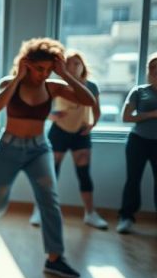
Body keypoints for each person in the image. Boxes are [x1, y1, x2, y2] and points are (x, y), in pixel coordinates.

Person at [0, 38, 96, 278]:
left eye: (48, 70)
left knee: (49, 201)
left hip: (39, 149)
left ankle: (54, 258)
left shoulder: (53, 86)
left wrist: (64, 75)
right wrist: (18, 78)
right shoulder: (9, 83)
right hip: (8, 148)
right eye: (39, 68)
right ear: (27, 64)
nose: (43, 74)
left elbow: (89, 100)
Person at [29, 49, 107, 229]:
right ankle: (39, 210)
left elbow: (96, 110)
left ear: (83, 67)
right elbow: (40, 107)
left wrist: (92, 124)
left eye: (76, 63)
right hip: (59, 133)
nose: (73, 67)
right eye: (69, 63)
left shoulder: (91, 86)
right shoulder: (56, 85)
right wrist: (51, 115)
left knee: (84, 173)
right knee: (50, 173)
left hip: (80, 134)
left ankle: (90, 213)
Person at [117, 52, 157, 234]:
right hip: (138, 142)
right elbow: (126, 117)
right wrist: (152, 114)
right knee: (133, 180)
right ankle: (126, 217)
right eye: (152, 67)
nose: (155, 70)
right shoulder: (139, 91)